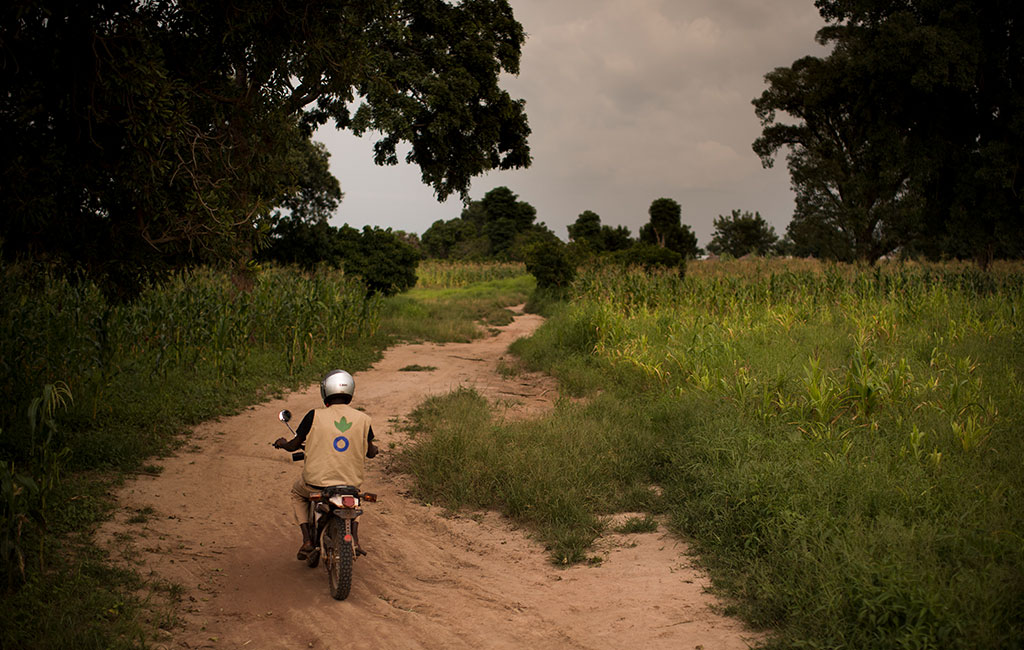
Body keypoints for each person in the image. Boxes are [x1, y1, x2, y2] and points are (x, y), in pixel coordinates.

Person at [273, 369, 378, 560]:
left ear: (325, 391)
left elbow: (293, 445)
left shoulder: (314, 415)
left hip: (316, 483)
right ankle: (354, 538)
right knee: (354, 499)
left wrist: (282, 443)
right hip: (349, 484)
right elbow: (370, 451)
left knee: (297, 493)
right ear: (350, 391)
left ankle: (307, 539)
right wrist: (374, 450)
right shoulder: (364, 420)